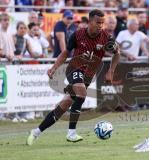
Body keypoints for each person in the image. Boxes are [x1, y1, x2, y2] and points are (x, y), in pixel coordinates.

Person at [26, 9, 120, 145]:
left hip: (87, 75)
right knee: (81, 93)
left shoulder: (106, 37)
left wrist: (110, 71)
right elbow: (65, 53)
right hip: (74, 69)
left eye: (102, 23)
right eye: (97, 22)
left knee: (64, 105)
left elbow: (117, 53)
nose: (100, 25)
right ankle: (71, 133)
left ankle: (36, 132)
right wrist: (53, 68)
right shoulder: (77, 35)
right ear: (89, 21)